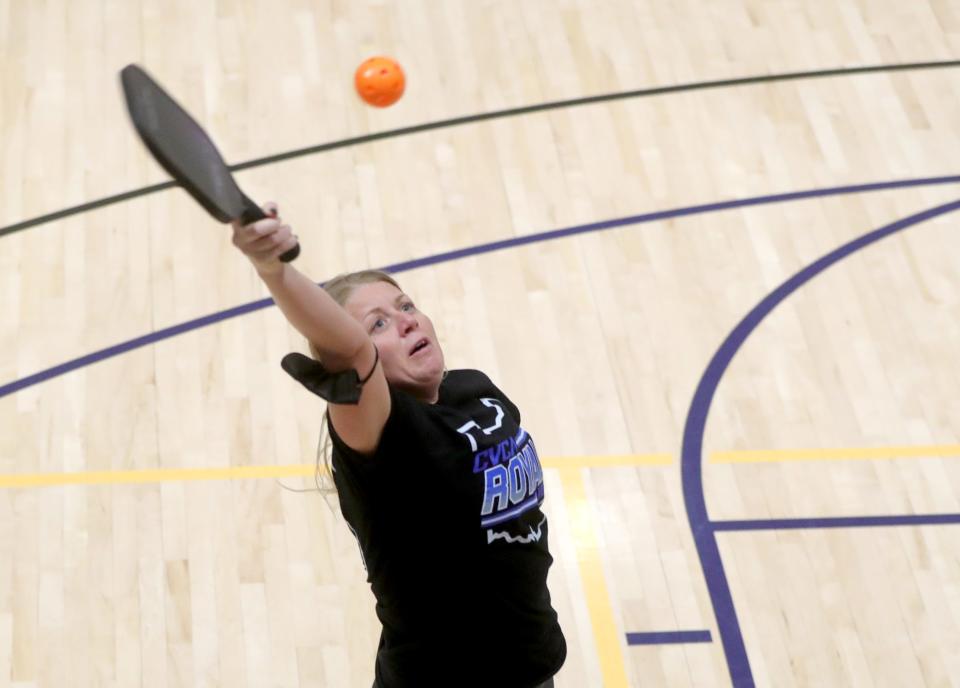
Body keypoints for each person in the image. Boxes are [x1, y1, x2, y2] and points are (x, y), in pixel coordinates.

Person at [232, 203, 566, 688]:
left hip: (531, 667)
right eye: (379, 324)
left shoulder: (475, 391)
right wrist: (273, 270)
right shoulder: (385, 441)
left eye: (406, 306)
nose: (407, 321)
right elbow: (348, 351)